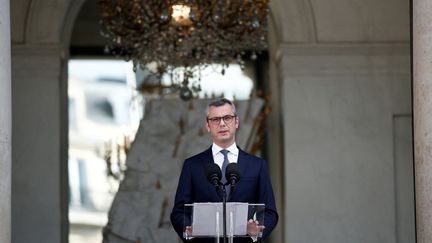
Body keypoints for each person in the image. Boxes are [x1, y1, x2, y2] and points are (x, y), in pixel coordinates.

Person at [170, 98, 278, 243]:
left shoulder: (257, 166)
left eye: (227, 118)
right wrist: (188, 228)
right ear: (207, 125)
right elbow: (179, 211)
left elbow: (270, 212)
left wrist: (257, 230)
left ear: (236, 122)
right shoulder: (192, 166)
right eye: (215, 119)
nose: (222, 124)